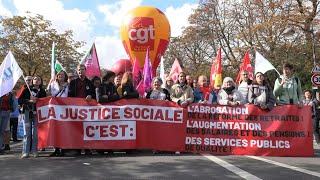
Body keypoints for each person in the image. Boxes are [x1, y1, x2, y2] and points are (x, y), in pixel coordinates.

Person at [68, 64, 95, 156]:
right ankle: (77, 148)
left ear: (85, 70)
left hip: (87, 109)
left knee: (86, 128)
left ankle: (87, 148)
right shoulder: (73, 83)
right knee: (76, 128)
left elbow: (94, 95)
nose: (81, 71)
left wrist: (91, 96)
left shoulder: (90, 83)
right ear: (77, 71)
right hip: (76, 109)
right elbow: (69, 96)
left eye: (82, 69)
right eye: (79, 70)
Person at [19, 75, 46, 158]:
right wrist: (29, 101)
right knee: (27, 133)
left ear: (41, 81)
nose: (36, 80)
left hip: (37, 113)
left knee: (35, 133)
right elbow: (19, 100)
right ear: (32, 81)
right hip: (27, 112)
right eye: (35, 79)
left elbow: (45, 101)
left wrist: (37, 100)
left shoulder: (42, 91)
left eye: (38, 79)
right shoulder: (27, 89)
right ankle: (25, 151)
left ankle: (34, 150)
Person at [47, 70, 69, 156]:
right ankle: (55, 148)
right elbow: (49, 95)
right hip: (55, 109)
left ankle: (63, 148)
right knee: (55, 129)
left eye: (62, 74)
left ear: (65, 76)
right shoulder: (52, 85)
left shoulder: (68, 85)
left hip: (64, 109)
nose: (60, 76)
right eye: (59, 74)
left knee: (63, 129)